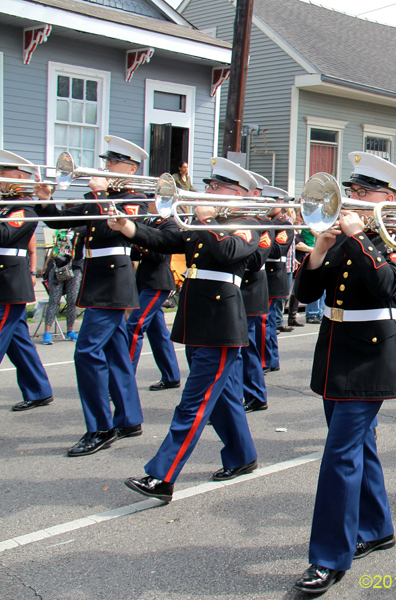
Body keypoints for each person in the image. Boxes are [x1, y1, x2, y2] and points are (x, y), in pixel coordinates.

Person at [292, 152, 396, 596]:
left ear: (388, 198)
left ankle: (328, 556)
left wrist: (360, 236)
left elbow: (389, 288)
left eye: (363, 193)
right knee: (358, 447)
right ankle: (377, 527)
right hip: (335, 350)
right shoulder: (341, 240)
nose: (353, 198)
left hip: (371, 358)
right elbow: (305, 294)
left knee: (339, 456)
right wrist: (319, 252)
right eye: (354, 191)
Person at [113, 156, 260, 502]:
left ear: (235, 193)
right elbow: (167, 242)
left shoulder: (248, 222)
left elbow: (227, 252)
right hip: (196, 320)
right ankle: (242, 455)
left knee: (192, 404)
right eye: (208, 185)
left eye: (215, 187)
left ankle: (162, 476)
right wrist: (129, 229)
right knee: (220, 397)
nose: (206, 191)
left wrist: (206, 220)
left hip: (221, 323)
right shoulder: (201, 224)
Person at [35, 136, 148, 456]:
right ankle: (127, 419)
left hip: (114, 281)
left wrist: (99, 192)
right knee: (114, 354)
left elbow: (116, 227)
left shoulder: (134, 197)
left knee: (85, 353)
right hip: (99, 282)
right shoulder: (101, 198)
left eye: (112, 162)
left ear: (130, 167)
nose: (105, 166)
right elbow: (63, 222)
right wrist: (45, 201)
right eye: (107, 161)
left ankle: (100, 428)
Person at [0, 149, 54, 412]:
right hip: (6, 279)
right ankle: (38, 389)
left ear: (19, 177)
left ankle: (38, 389)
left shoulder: (24, 205)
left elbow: (3, 235)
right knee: (17, 339)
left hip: (8, 281)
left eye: (2, 173)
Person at [126, 204, 181, 391]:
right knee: (158, 333)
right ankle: (171, 376)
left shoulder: (169, 223)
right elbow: (133, 252)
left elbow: (159, 254)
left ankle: (124, 379)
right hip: (145, 281)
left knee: (134, 327)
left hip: (158, 282)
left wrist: (139, 239)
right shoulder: (143, 220)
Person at [240, 184, 276, 414]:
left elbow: (255, 262)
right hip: (230, 292)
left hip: (250, 291)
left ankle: (255, 395)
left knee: (247, 347)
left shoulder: (264, 226)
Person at [263, 193, 294, 372]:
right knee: (269, 322)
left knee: (267, 322)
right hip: (263, 276)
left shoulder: (284, 224)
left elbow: (276, 250)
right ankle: (271, 359)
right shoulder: (266, 221)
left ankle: (268, 359)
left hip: (273, 276)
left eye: (270, 202)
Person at [41, 228, 83, 344]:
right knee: (54, 300)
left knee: (72, 300)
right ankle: (47, 332)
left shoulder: (82, 230)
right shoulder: (61, 232)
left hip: (75, 267)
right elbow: (55, 248)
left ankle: (70, 331)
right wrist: (46, 265)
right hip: (57, 267)